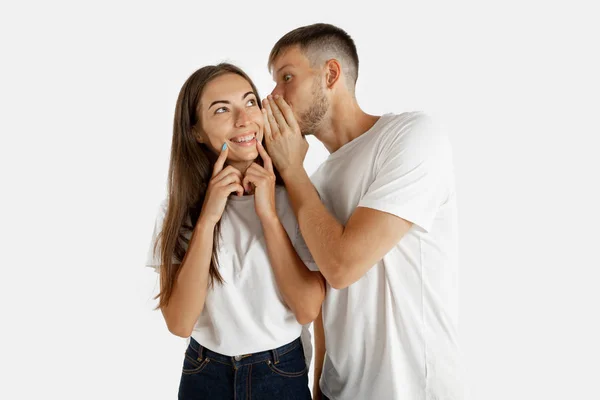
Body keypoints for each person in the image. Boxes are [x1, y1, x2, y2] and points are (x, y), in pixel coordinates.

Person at [261, 23, 464, 399]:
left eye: (286, 77)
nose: (273, 96)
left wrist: (291, 170)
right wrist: (320, 384)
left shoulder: (412, 136)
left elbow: (342, 265)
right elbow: (324, 304)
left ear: (331, 74)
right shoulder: (314, 184)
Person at [145, 63, 325, 399]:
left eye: (250, 103)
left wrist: (269, 215)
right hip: (204, 373)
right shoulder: (177, 210)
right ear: (196, 131)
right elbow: (180, 323)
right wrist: (208, 219)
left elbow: (307, 310)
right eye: (222, 110)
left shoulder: (298, 198)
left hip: (280, 371)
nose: (244, 120)